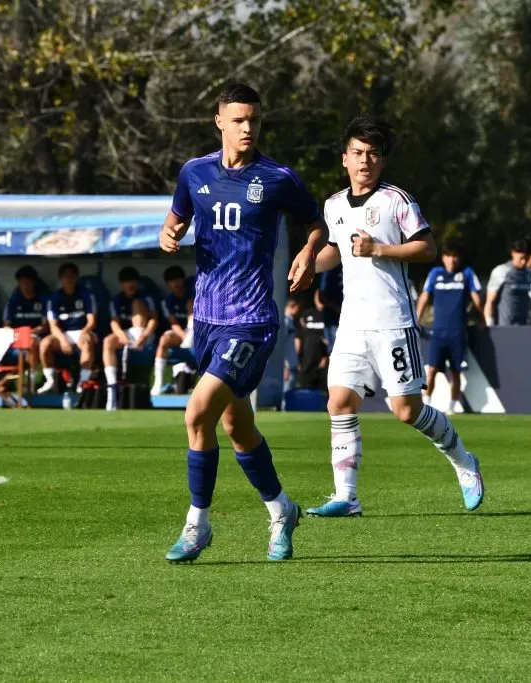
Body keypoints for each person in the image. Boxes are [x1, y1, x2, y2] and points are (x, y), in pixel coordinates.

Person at [159, 83, 325, 562]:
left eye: (254, 119)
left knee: (196, 413)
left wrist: (309, 252)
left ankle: (197, 525)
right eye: (238, 120)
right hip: (206, 318)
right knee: (236, 426)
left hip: (251, 320)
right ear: (220, 122)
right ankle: (281, 509)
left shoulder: (277, 178)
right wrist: (170, 235)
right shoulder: (194, 173)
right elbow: (175, 221)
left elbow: (316, 223)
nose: (248, 127)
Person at [305, 114, 484, 519]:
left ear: (382, 161)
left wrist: (381, 250)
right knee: (339, 400)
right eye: (357, 153)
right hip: (352, 324)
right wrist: (309, 265)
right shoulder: (333, 205)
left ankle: (463, 461)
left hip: (393, 321)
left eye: (373, 154)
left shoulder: (395, 201)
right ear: (344, 159)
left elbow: (427, 249)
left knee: (405, 411)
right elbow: (336, 250)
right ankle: (346, 496)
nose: (365, 161)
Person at [416, 242, 485, 414]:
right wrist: (417, 319)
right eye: (449, 256)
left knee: (455, 371)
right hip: (438, 331)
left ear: (459, 258)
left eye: (455, 256)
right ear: (443, 258)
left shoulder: (467, 273)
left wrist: (483, 318)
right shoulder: (435, 273)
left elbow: (476, 297)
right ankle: (427, 403)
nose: (452, 260)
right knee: (431, 370)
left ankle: (453, 406)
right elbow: (425, 297)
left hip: (458, 332)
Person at [102, 266, 157, 411]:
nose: (130, 284)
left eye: (133, 281)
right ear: (121, 284)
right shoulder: (117, 300)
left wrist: (144, 336)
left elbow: (154, 320)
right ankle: (112, 387)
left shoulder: (145, 297)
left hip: (145, 334)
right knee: (108, 341)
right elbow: (114, 322)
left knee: (136, 303)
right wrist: (121, 336)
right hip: (127, 335)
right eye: (126, 281)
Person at [39, 262, 97, 395]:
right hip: (62, 334)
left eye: (72, 276)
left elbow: (92, 321)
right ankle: (51, 381)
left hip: (83, 330)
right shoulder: (54, 298)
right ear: (61, 279)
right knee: (45, 344)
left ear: (77, 277)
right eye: (66, 276)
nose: (69, 279)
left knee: (87, 341)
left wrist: (85, 331)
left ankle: (82, 382)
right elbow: (53, 325)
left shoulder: (86, 294)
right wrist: (63, 340)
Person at [151, 265, 193, 396]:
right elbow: (173, 323)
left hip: (198, 331)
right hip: (183, 334)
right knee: (164, 339)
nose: (175, 283)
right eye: (171, 281)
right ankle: (158, 383)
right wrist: (185, 337)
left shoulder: (193, 294)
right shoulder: (168, 301)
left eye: (178, 279)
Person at [3, 265, 49, 385]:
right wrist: (15, 333)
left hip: (35, 335)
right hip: (16, 336)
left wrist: (29, 333)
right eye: (22, 283)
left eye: (28, 282)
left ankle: (31, 380)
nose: (25, 286)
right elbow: (6, 325)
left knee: (31, 342)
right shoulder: (13, 301)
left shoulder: (43, 299)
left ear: (34, 282)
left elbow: (45, 326)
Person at [484, 239, 531, 326]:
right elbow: (490, 301)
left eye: (527, 258)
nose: (524, 262)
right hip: (505, 327)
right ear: (513, 253)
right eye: (521, 258)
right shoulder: (501, 271)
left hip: (523, 327)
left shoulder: (529, 273)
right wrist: (489, 325)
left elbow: (528, 299)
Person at [295, 300, 329, 389]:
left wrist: (328, 357)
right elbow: (299, 338)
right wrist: (296, 359)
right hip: (307, 363)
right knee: (306, 391)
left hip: (324, 364)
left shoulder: (330, 316)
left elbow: (334, 339)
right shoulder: (307, 314)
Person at [315, 265, 343, 351]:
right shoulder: (328, 271)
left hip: (344, 315)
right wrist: (335, 308)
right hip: (332, 317)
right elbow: (320, 295)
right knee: (334, 349)